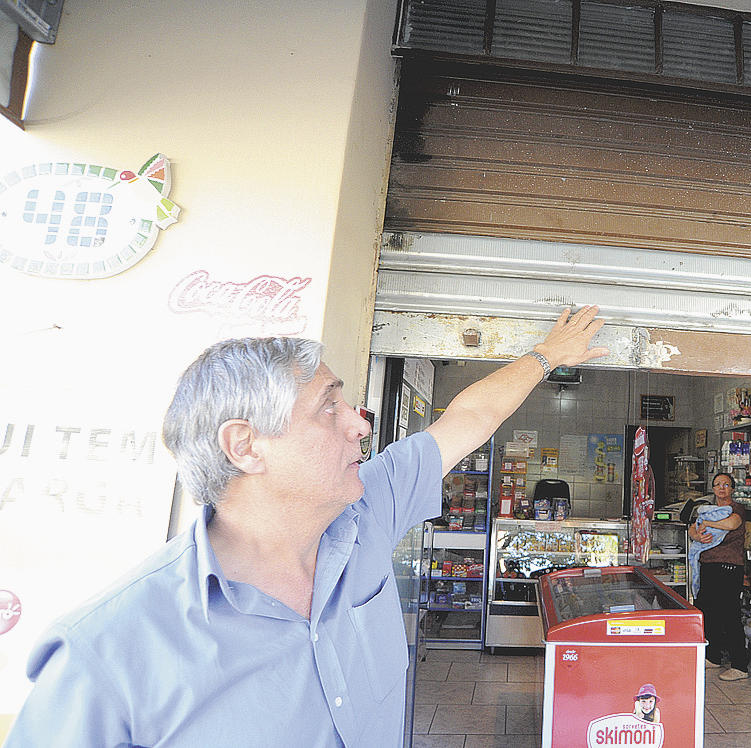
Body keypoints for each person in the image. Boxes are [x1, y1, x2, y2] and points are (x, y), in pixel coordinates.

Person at [4, 306, 608, 747]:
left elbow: (469, 416)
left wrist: (547, 355)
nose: (360, 426)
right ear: (245, 446)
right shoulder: (104, 654)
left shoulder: (367, 512)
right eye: (329, 407)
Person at [687, 472, 749, 681]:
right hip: (708, 565)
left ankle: (740, 665)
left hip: (729, 567)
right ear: (713, 489)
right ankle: (713, 657)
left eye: (726, 485)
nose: (722, 488)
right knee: (708, 613)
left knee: (730, 615)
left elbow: (731, 524)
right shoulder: (707, 510)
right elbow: (692, 529)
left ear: (732, 489)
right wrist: (697, 534)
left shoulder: (736, 509)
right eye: (718, 485)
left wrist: (709, 525)